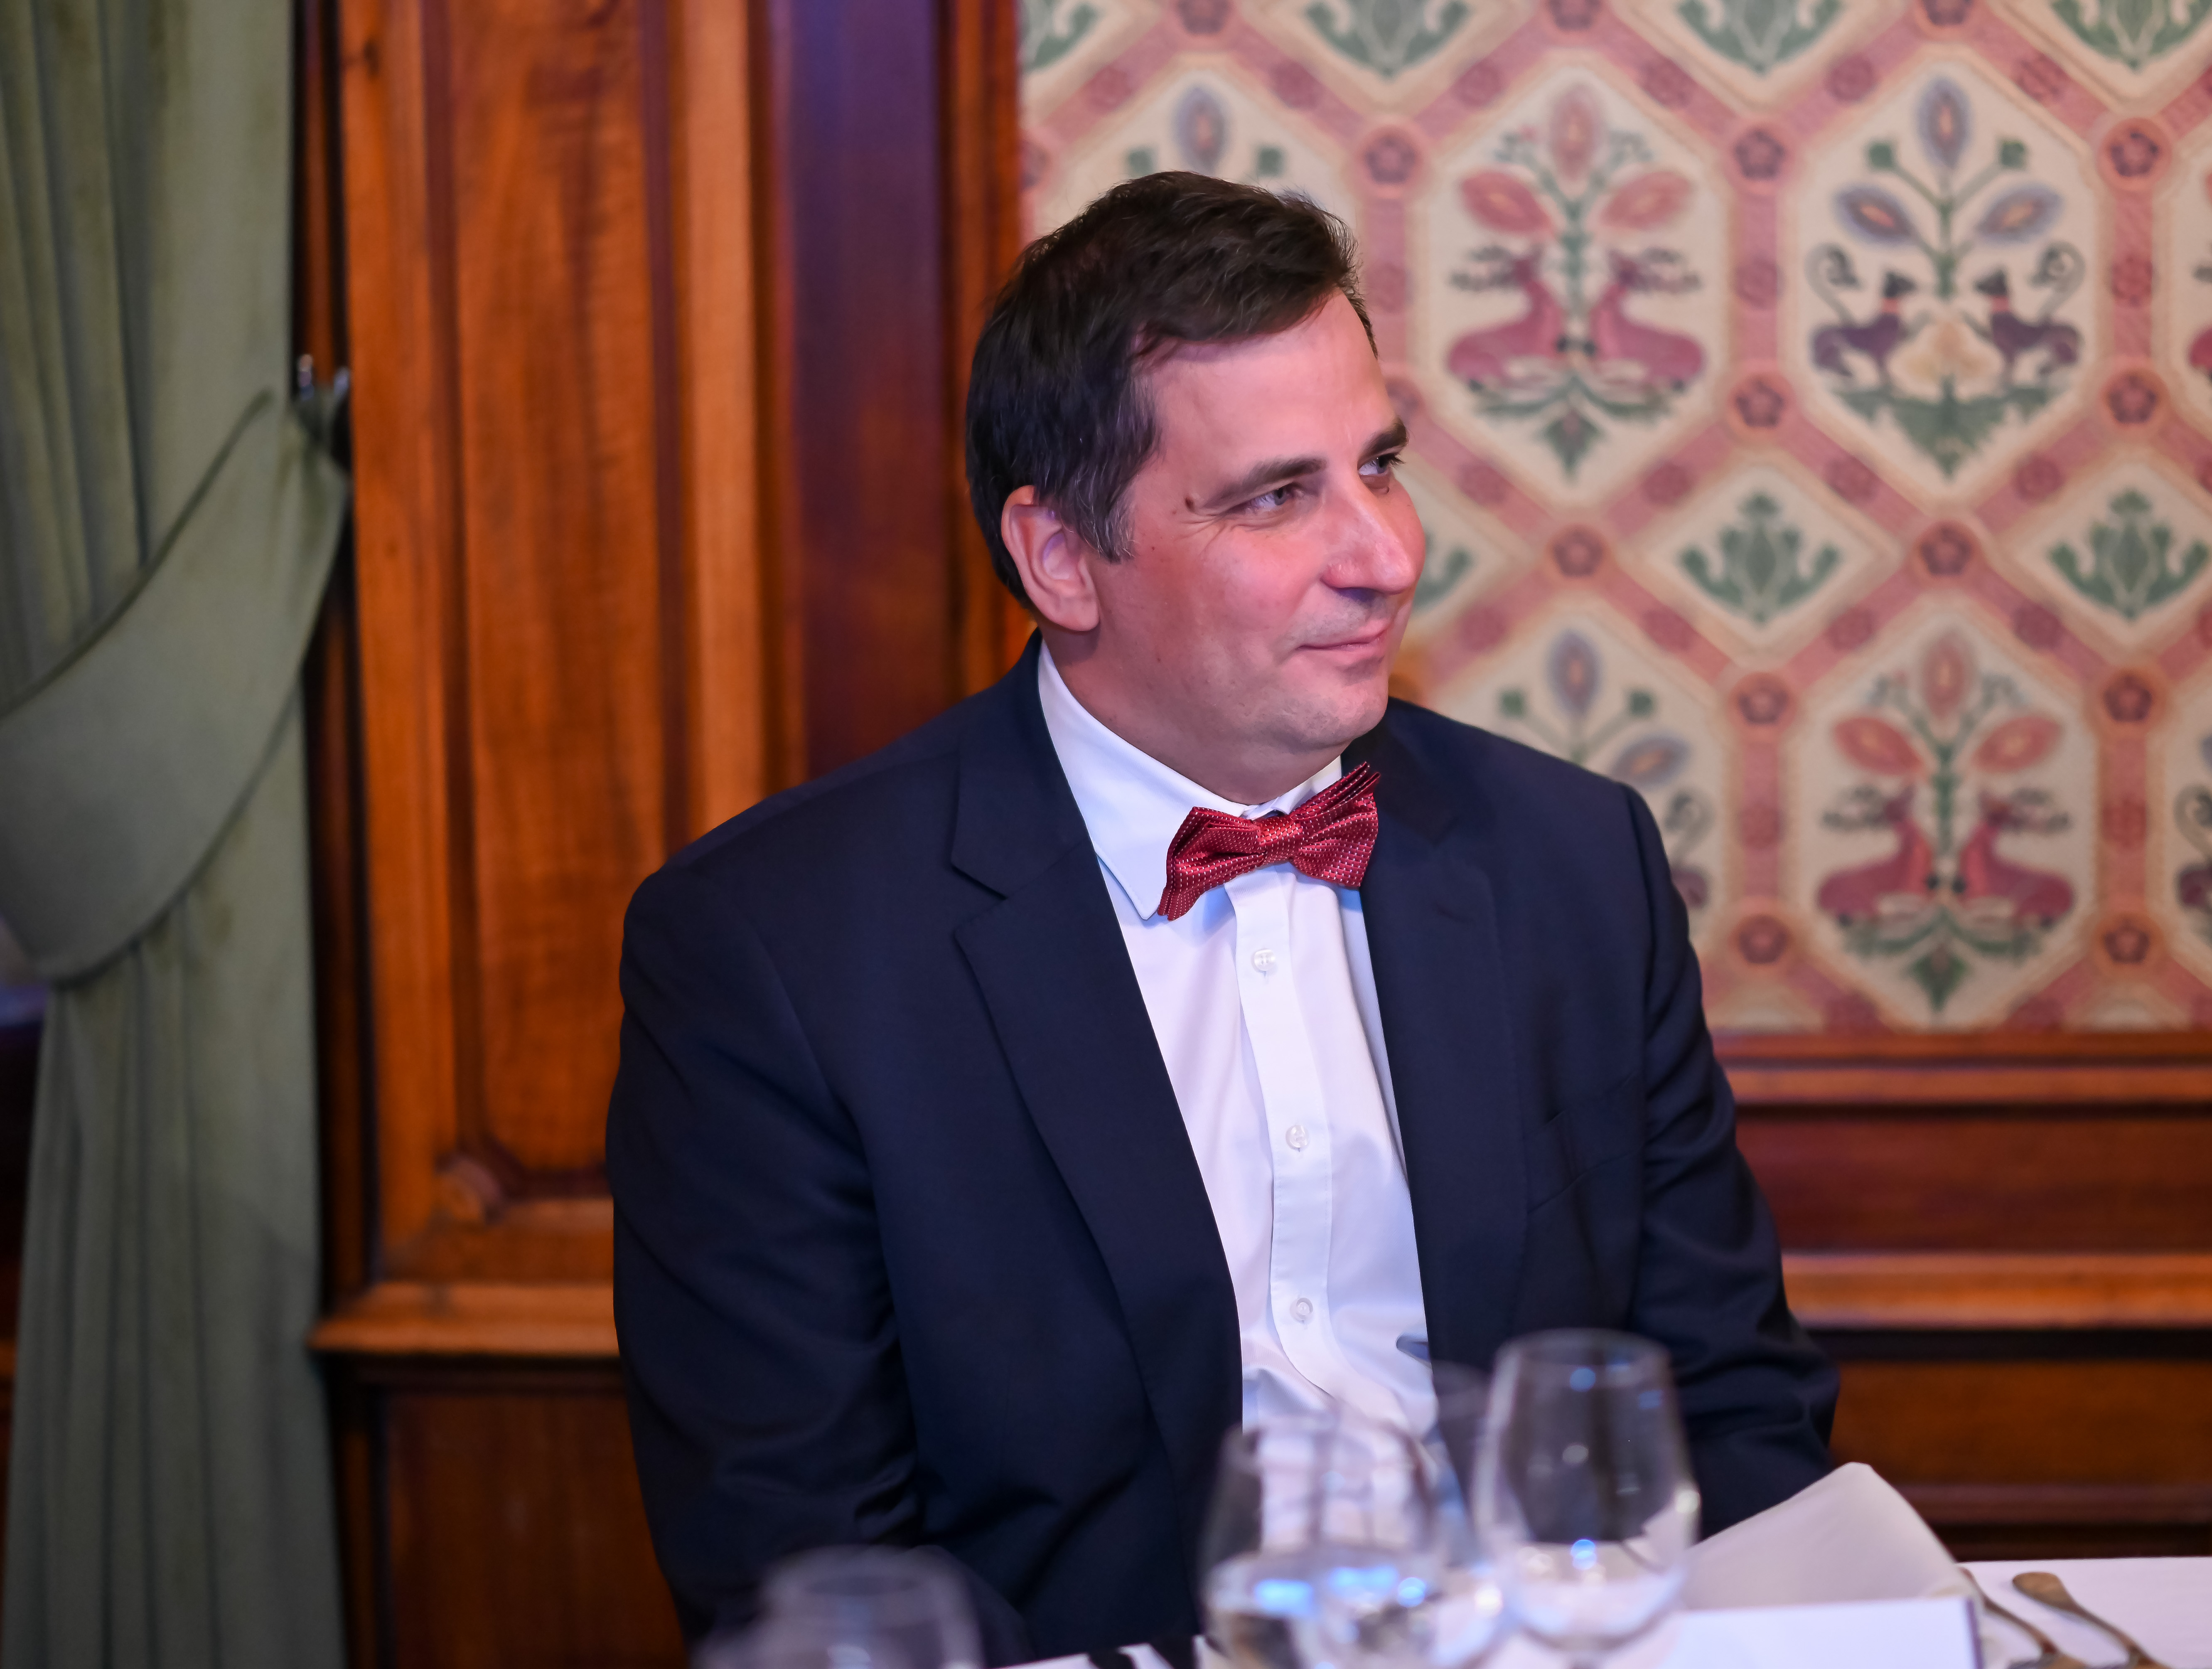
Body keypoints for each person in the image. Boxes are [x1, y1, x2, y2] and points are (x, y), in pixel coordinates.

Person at [607, 172, 1836, 1666]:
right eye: (1276, 497)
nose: (1385, 556)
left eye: (1379, 466)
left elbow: (1730, 1410)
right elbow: (811, 1570)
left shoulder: (1573, 863)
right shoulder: (777, 951)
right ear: (1062, 558)